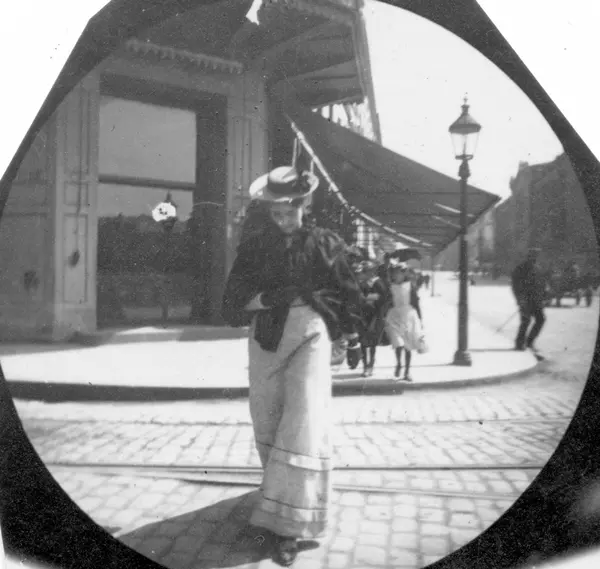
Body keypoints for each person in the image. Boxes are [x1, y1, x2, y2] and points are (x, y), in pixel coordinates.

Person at [221, 165, 363, 566]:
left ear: (304, 205)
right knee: (267, 417)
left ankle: (288, 526)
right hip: (267, 333)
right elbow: (233, 296)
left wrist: (351, 335)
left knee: (303, 420)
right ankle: (276, 500)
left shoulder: (325, 243)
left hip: (312, 333)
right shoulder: (255, 246)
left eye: (291, 212)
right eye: (276, 213)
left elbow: (347, 288)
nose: (284, 219)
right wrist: (265, 299)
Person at [385, 262, 423, 381]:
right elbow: (387, 302)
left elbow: (416, 303)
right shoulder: (390, 287)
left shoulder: (410, 286)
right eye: (395, 273)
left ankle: (407, 371)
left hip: (409, 316)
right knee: (398, 343)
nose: (397, 275)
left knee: (408, 345)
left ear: (404, 274)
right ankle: (398, 364)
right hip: (395, 316)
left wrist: (420, 320)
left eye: (400, 273)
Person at [356, 260, 392, 377]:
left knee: (372, 343)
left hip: (375, 315)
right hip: (363, 315)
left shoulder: (379, 283)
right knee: (363, 342)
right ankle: (364, 366)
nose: (364, 274)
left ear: (371, 272)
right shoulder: (361, 284)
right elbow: (358, 297)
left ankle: (370, 365)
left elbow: (384, 298)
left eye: (366, 272)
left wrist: (369, 298)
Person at [511, 248, 547, 352]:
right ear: (528, 256)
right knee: (525, 321)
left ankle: (530, 342)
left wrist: (544, 296)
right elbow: (515, 286)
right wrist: (520, 299)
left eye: (536, 256)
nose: (535, 258)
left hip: (536, 300)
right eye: (533, 256)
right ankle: (519, 344)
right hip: (525, 300)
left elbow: (542, 284)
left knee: (541, 319)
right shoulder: (520, 269)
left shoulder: (538, 268)